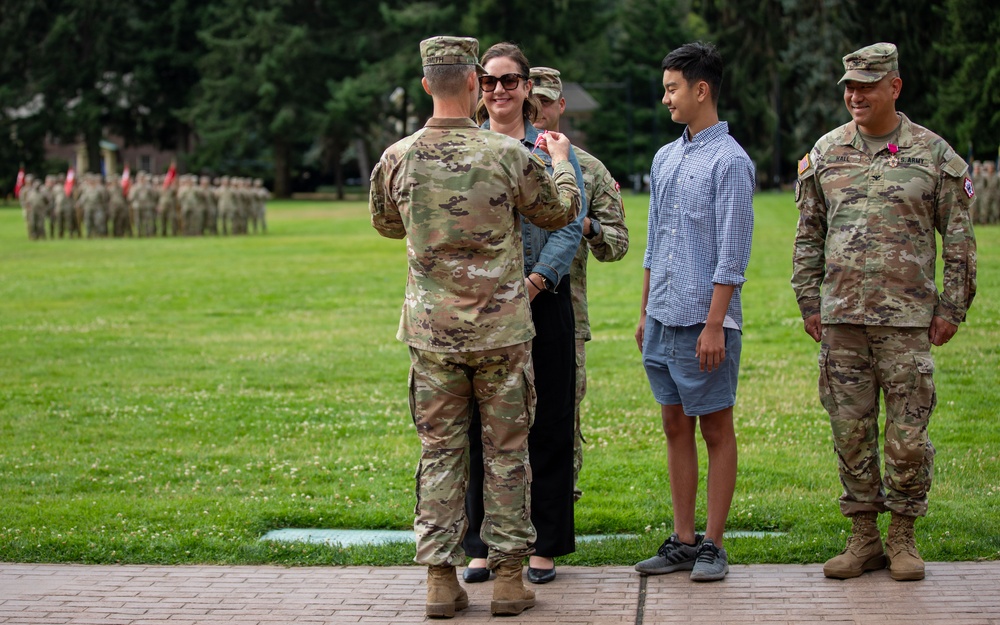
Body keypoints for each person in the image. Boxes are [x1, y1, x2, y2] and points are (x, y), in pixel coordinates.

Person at [370, 35, 580, 618]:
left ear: (424, 85)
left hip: (433, 335)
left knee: (440, 453)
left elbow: (387, 224)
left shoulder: (398, 156)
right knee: (509, 452)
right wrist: (561, 164)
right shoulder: (508, 155)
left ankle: (441, 579)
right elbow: (559, 212)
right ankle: (510, 580)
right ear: (471, 83)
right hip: (502, 334)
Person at [792, 43, 977, 582]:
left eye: (867, 85)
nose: (855, 95)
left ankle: (903, 536)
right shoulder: (826, 154)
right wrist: (809, 301)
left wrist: (952, 308)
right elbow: (808, 237)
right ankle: (864, 537)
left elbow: (961, 243)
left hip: (907, 325)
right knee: (850, 434)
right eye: (849, 86)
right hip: (842, 322)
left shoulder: (934, 156)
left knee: (907, 439)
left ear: (894, 87)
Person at [462, 42, 587, 587]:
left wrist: (535, 284)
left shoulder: (551, 148)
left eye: (509, 81)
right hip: (483, 310)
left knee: (550, 423)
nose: (499, 91)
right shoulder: (464, 147)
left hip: (543, 298)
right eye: (489, 82)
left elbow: (569, 221)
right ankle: (482, 544)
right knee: (478, 429)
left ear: (527, 87)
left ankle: (544, 544)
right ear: (478, 86)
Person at [633, 41, 754, 583]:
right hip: (662, 320)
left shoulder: (731, 162)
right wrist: (643, 313)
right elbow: (655, 243)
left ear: (701, 90)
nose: (666, 99)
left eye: (672, 88)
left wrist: (713, 325)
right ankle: (683, 540)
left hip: (706, 325)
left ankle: (714, 544)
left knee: (716, 429)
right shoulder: (665, 157)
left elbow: (733, 252)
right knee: (673, 424)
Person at [530, 65, 630, 501]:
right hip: (498, 314)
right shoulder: (497, 155)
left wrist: (587, 227)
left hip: (564, 317)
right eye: (530, 102)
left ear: (561, 105)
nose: (537, 111)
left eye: (545, 102)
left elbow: (619, 244)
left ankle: (554, 521)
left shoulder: (588, 169)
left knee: (560, 421)